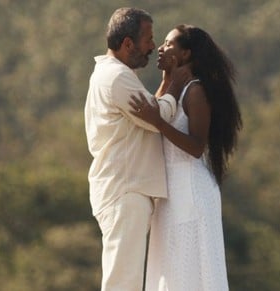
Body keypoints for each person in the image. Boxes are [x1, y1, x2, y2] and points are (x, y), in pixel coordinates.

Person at [129, 24, 243, 290]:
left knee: (189, 272)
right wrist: (167, 80)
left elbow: (195, 146)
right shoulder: (173, 87)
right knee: (169, 271)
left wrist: (159, 123)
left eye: (169, 44)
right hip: (169, 193)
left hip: (190, 191)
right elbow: (155, 113)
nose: (160, 47)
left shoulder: (195, 91)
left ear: (187, 54)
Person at [84, 8, 190, 291]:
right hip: (125, 190)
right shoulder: (116, 77)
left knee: (126, 279)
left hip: (126, 188)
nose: (153, 46)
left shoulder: (115, 74)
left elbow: (149, 112)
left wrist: (166, 85)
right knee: (123, 282)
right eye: (148, 39)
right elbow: (158, 119)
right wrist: (175, 83)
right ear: (128, 43)